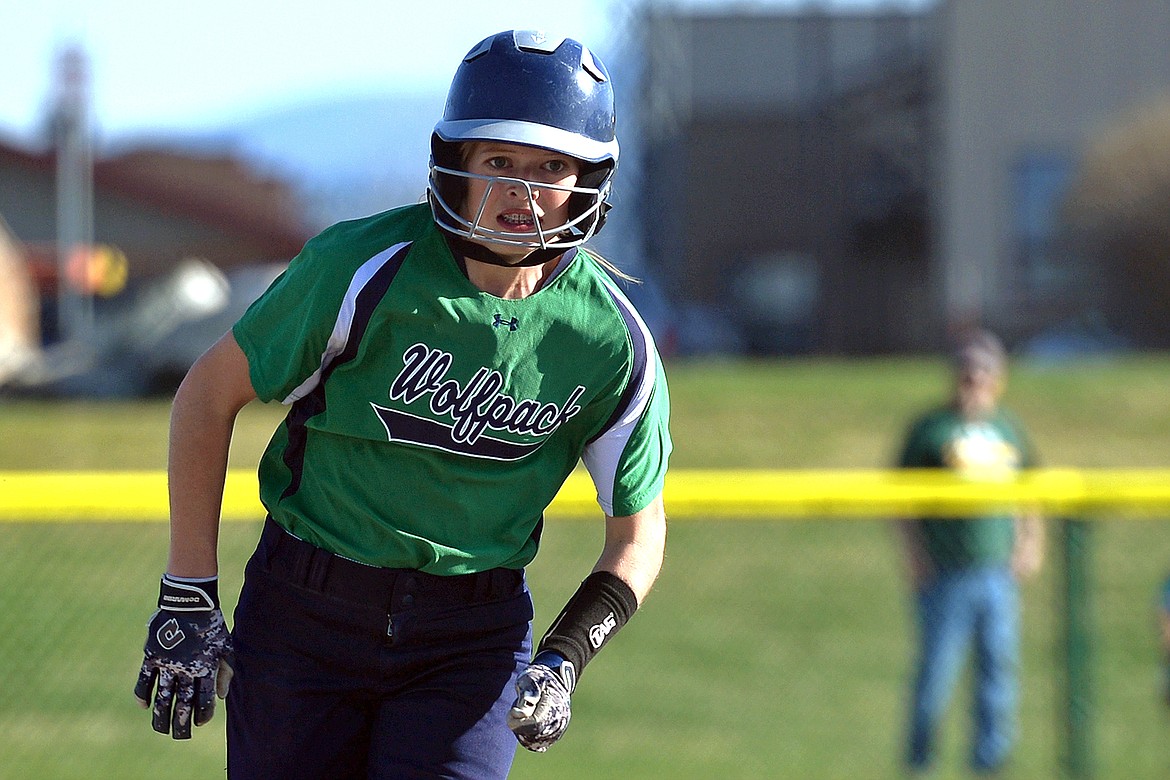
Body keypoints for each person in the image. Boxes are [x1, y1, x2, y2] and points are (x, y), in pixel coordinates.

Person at [132, 29, 671, 780]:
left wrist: (568, 655)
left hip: (470, 639)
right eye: (499, 161)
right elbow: (207, 396)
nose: (522, 190)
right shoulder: (359, 268)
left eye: (552, 165)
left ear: (594, 176)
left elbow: (638, 535)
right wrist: (188, 588)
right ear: (455, 163)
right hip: (306, 613)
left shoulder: (611, 341)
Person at [895, 329, 1044, 776]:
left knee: (998, 678)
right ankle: (920, 765)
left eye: (983, 371)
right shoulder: (931, 429)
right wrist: (914, 554)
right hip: (946, 574)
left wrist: (1030, 541)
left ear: (998, 378)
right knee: (935, 678)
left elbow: (1029, 490)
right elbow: (899, 499)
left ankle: (989, 767)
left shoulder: (1008, 428)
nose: (974, 379)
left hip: (997, 573)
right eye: (967, 370)